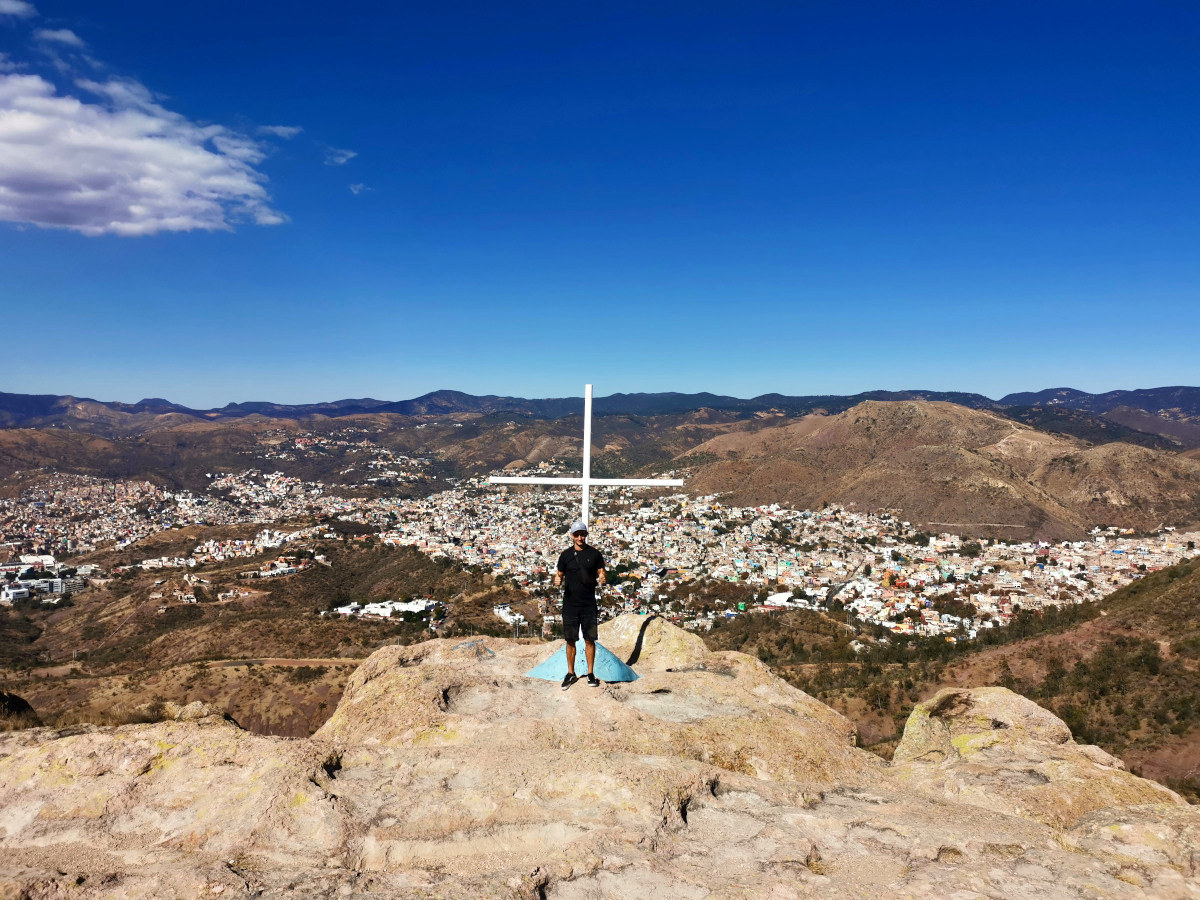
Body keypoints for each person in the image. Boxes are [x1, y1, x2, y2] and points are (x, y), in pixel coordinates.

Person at [554, 519, 606, 689]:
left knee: (590, 640)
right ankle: (570, 673)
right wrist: (557, 579)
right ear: (572, 536)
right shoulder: (565, 555)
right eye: (577, 534)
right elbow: (559, 573)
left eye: (582, 534)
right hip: (570, 604)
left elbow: (600, 570)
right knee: (570, 640)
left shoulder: (595, 554)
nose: (580, 537)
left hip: (589, 604)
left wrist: (602, 576)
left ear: (586, 535)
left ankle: (590, 673)